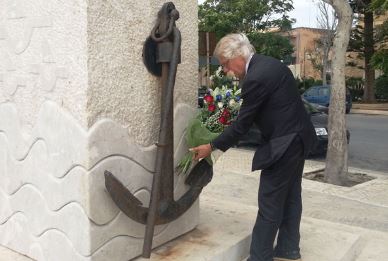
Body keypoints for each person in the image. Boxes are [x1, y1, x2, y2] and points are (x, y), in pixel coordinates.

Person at [190, 33, 318, 261]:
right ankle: (289, 249)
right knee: (290, 197)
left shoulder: (255, 78)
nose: (227, 71)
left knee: (270, 201)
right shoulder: (270, 64)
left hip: (284, 144)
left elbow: (242, 125)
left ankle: (260, 257)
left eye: (226, 64)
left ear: (238, 56)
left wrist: (212, 146)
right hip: (299, 139)